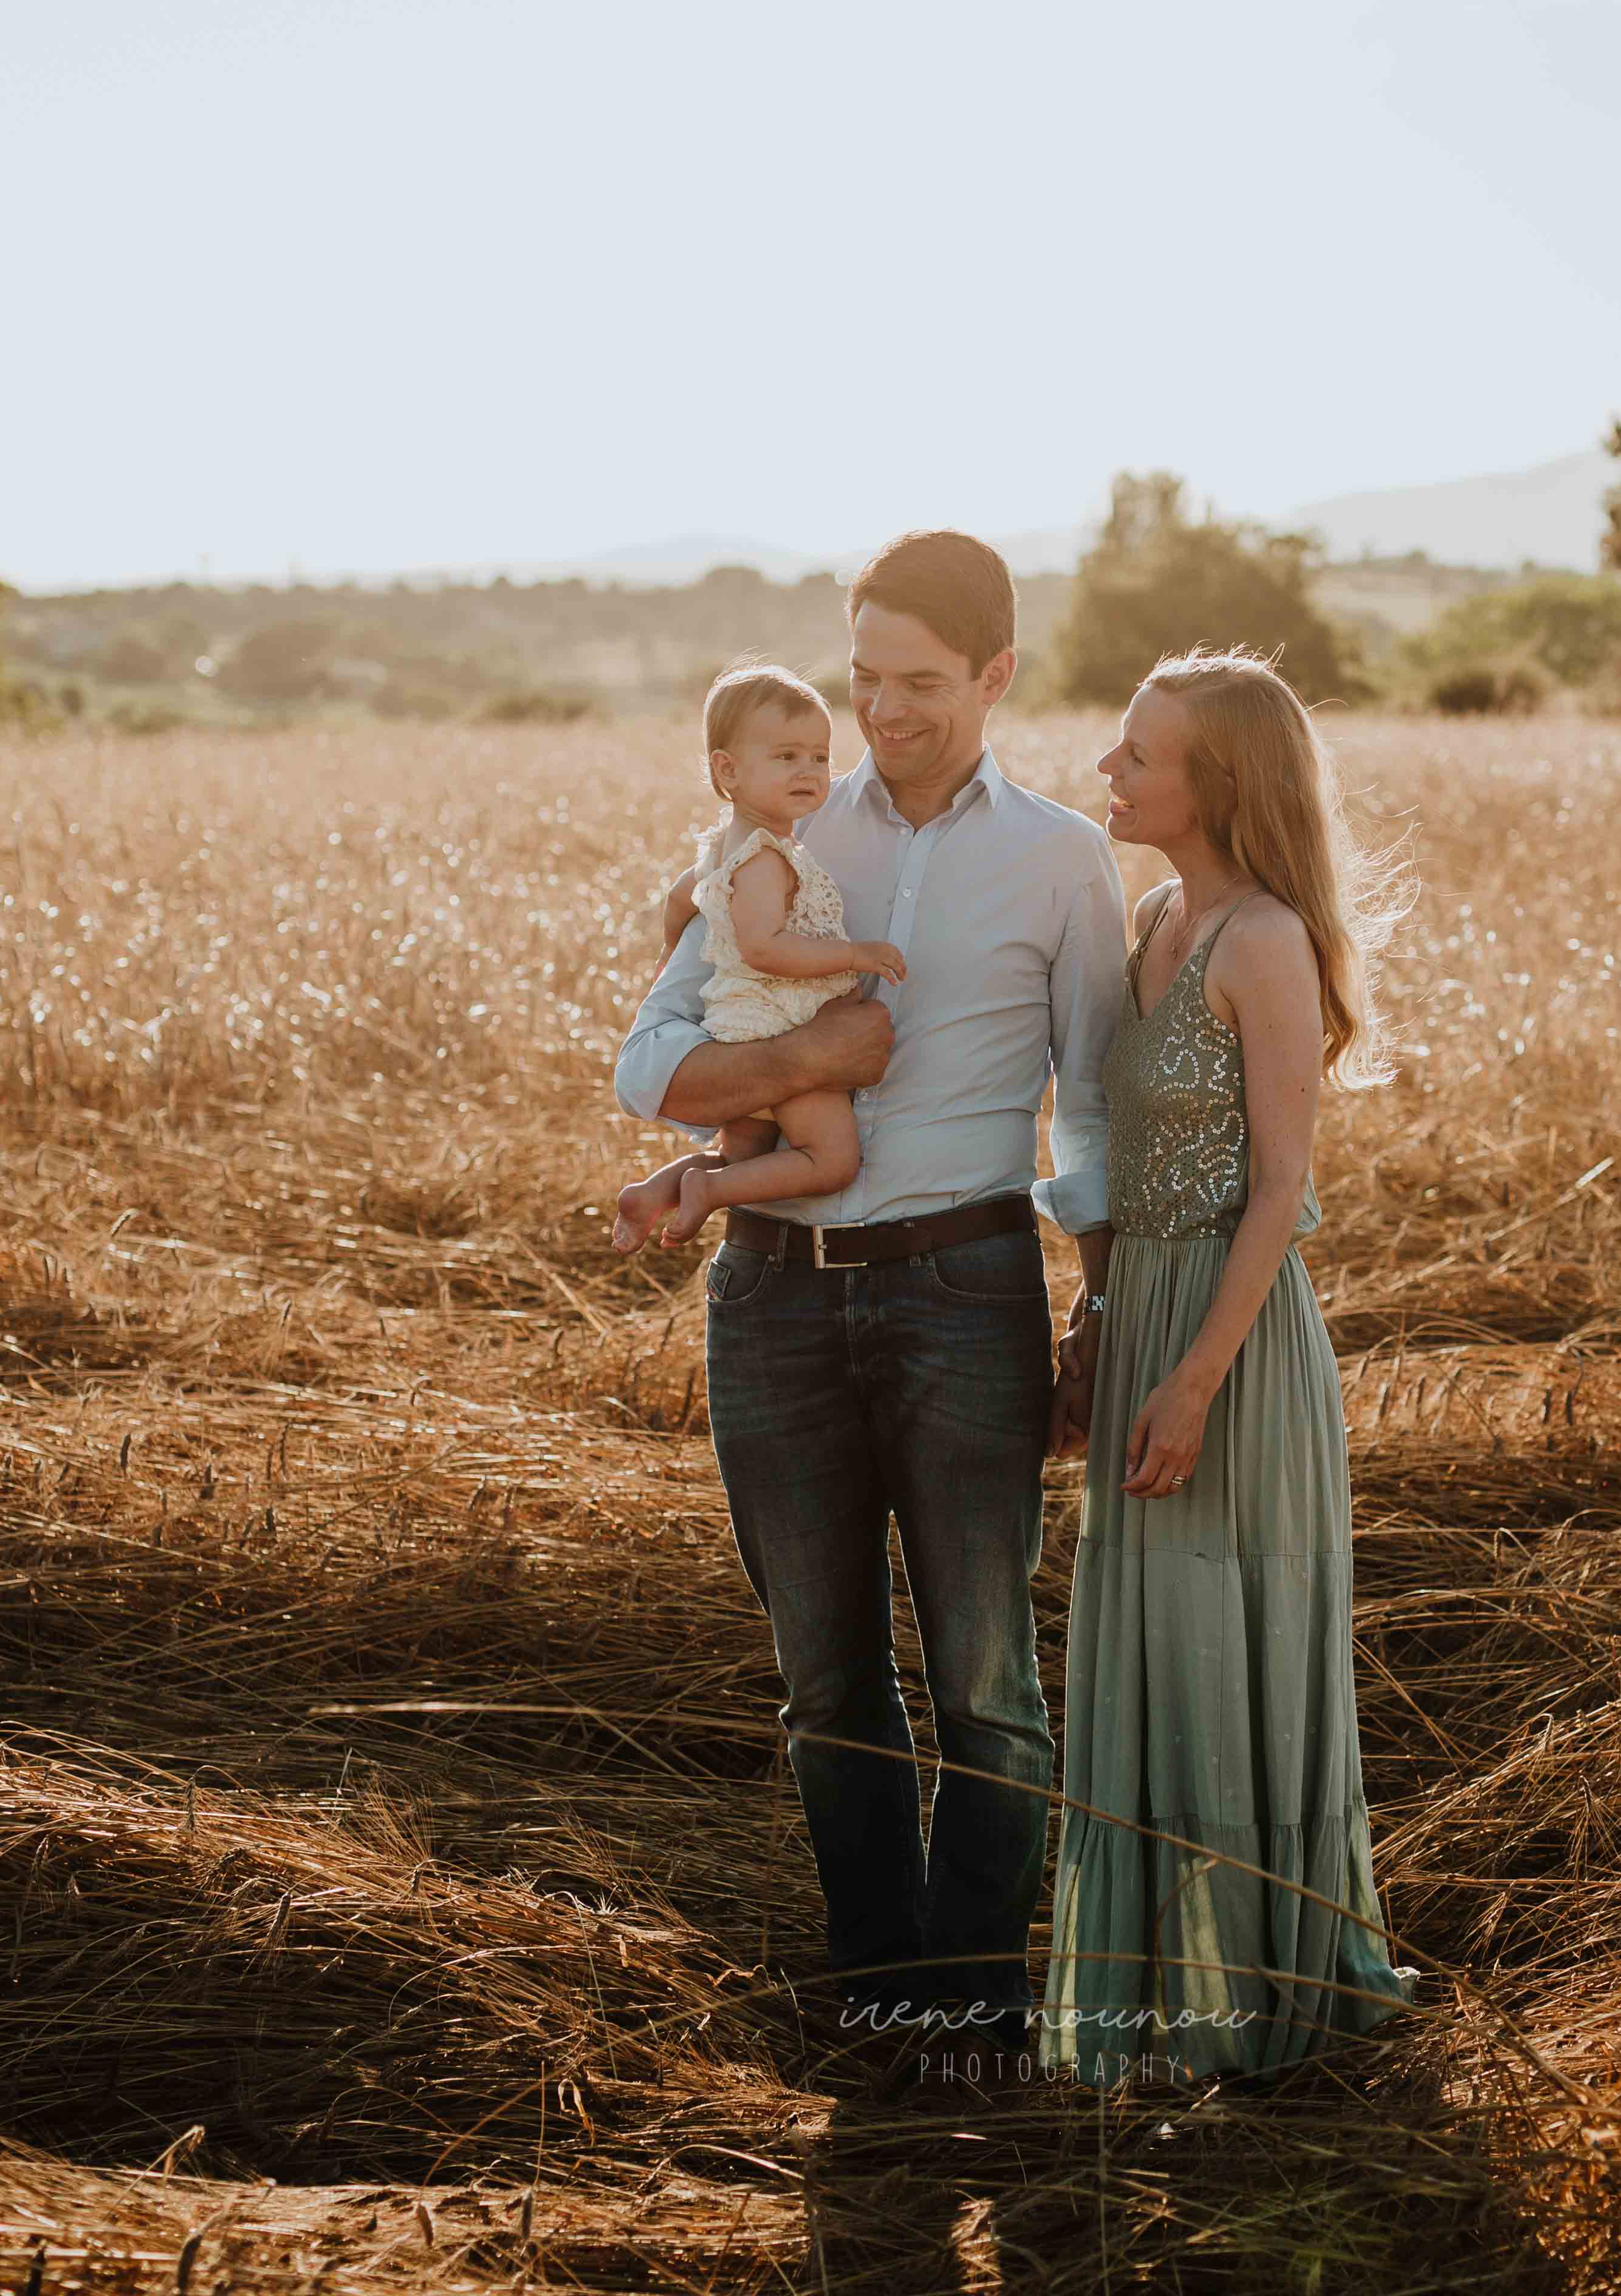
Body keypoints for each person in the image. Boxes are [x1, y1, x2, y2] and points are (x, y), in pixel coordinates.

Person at [610, 530, 1127, 2066]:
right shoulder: (771, 832)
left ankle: (974, 2001)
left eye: (917, 681)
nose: (882, 712)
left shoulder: (1060, 858)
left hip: (965, 1286)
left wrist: (1100, 1311)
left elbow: (1091, 1112)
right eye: (861, 679)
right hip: (768, 1298)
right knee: (825, 1680)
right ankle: (880, 1990)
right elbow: (650, 1066)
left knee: (985, 1680)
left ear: (995, 674)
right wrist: (799, 1067)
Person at [1040, 649, 1413, 2088]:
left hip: (1233, 1341)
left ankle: (1258, 1990)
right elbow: (1104, 1157)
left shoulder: (1259, 938)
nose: (1108, 773)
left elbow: (1278, 1190)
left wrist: (1193, 1376)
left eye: (1140, 756)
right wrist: (1096, 1325)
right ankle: (1157, 1999)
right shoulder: (1150, 918)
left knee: (1223, 1648)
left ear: (1222, 784)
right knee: (1146, 1647)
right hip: (1140, 1313)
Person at [610, 664, 908, 1254]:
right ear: (728, 770)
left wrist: (674, 949)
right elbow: (764, 948)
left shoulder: (724, 844)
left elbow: (681, 899)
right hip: (782, 1023)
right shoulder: (767, 855)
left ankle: (655, 1191)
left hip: (739, 1021)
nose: (809, 771)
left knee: (739, 1152)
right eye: (786, 756)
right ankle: (709, 1191)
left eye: (820, 757)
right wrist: (853, 954)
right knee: (830, 1157)